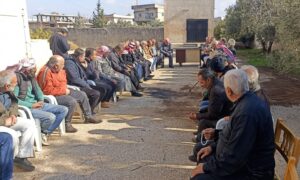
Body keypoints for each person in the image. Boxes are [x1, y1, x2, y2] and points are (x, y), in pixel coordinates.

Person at [191, 69, 275, 180]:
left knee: (199, 177)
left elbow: (234, 158)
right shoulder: (246, 101)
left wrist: (206, 168)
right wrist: (213, 144)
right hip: (245, 164)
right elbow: (235, 137)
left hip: (252, 173)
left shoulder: (246, 113)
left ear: (229, 91)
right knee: (203, 155)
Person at [13, 58, 68, 146]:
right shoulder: (16, 79)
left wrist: (41, 100)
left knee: (63, 110)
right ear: (26, 69)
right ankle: (42, 133)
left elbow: (38, 91)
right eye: (33, 68)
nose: (35, 69)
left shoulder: (31, 77)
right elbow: (14, 100)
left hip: (37, 104)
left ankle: (44, 133)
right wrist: (32, 105)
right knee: (50, 117)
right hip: (26, 108)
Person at [37, 55, 100, 128]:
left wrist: (65, 90)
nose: (64, 66)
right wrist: (64, 91)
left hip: (63, 91)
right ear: (56, 66)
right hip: (52, 96)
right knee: (71, 101)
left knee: (82, 94)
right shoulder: (45, 72)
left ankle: (88, 116)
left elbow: (63, 82)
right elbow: (47, 91)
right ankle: (67, 124)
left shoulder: (60, 70)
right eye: (62, 65)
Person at [0, 70, 35, 171]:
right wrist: (4, 122)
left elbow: (14, 104)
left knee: (29, 124)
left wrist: (13, 115)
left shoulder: (8, 92)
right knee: (12, 135)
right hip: (1, 123)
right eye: (14, 84)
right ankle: (8, 163)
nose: (16, 86)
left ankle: (21, 157)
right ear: (7, 85)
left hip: (9, 119)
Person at [189, 69, 232, 137]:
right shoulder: (216, 82)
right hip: (224, 112)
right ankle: (200, 133)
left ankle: (200, 138)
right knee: (203, 109)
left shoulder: (215, 90)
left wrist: (196, 116)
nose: (200, 85)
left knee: (203, 122)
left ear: (208, 80)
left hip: (224, 117)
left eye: (202, 82)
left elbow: (212, 115)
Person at [65, 48, 103, 114]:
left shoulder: (76, 61)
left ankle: (90, 110)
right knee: (95, 94)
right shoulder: (70, 63)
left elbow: (85, 75)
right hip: (75, 86)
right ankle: (87, 113)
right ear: (80, 56)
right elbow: (74, 79)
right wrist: (86, 85)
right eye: (83, 56)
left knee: (102, 90)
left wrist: (86, 68)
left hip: (83, 84)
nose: (84, 58)